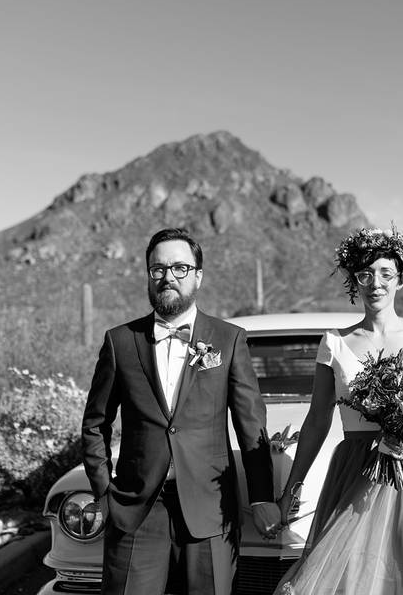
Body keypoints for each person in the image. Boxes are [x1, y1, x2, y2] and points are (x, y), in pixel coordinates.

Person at [81, 227, 282, 595]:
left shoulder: (228, 339)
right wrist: (103, 492)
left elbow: (250, 425)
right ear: (148, 276)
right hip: (136, 511)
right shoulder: (120, 341)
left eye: (180, 268)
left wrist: (261, 496)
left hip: (210, 508)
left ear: (198, 275)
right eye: (158, 269)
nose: (168, 277)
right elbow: (95, 423)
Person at [273, 226, 403, 594]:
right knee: (351, 576)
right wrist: (291, 489)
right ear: (354, 281)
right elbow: (316, 422)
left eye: (386, 273)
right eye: (365, 274)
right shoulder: (335, 343)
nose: (376, 283)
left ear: (400, 279)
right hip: (355, 472)